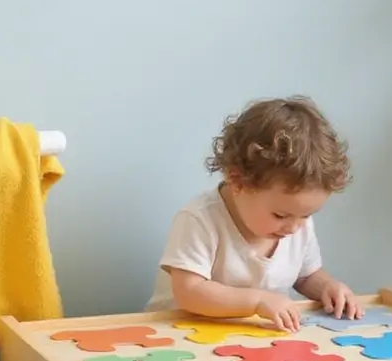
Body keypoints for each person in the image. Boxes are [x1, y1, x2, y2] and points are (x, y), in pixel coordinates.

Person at [147, 96, 363, 331]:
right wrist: (257, 301)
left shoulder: (297, 223)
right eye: (280, 215)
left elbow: (305, 276)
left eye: (306, 215)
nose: (293, 227)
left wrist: (328, 288)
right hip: (179, 336)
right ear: (237, 180)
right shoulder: (200, 219)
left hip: (249, 340)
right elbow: (190, 291)